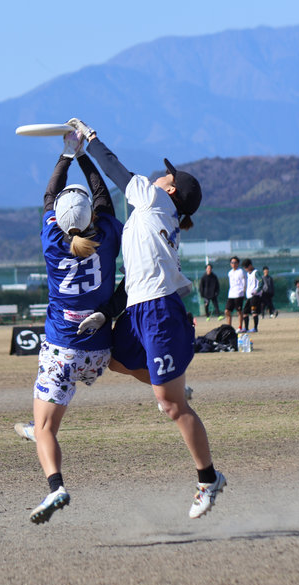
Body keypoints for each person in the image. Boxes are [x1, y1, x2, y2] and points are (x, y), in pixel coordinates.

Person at [69, 117, 226, 521]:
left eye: (166, 175)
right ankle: (172, 387)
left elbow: (116, 170)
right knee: (114, 359)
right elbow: (135, 278)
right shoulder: (152, 213)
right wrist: (106, 312)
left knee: (171, 407)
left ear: (170, 189)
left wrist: (90, 140)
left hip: (159, 313)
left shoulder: (155, 200)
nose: (160, 175)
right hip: (140, 307)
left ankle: (208, 479)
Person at [17, 131, 122, 525]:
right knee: (49, 418)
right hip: (100, 351)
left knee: (44, 428)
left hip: (62, 351)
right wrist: (82, 155)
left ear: (58, 221)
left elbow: (49, 195)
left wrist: (65, 152)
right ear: (92, 215)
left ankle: (55, 486)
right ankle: (170, 385)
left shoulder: (52, 242)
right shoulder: (107, 235)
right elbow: (102, 195)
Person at [225, 256, 246, 330]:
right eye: (232, 262)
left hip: (239, 294)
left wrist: (243, 292)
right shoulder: (230, 273)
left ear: (238, 263)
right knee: (227, 311)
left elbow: (244, 283)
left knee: (239, 311)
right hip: (231, 294)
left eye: (235, 262)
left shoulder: (241, 271)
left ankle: (240, 327)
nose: (233, 264)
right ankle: (229, 328)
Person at [242, 259, 260, 333]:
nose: (246, 269)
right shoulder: (248, 274)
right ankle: (246, 328)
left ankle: (255, 328)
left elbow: (261, 282)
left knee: (254, 312)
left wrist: (257, 290)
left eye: (246, 267)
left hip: (255, 296)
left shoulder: (256, 272)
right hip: (249, 296)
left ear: (250, 265)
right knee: (245, 312)